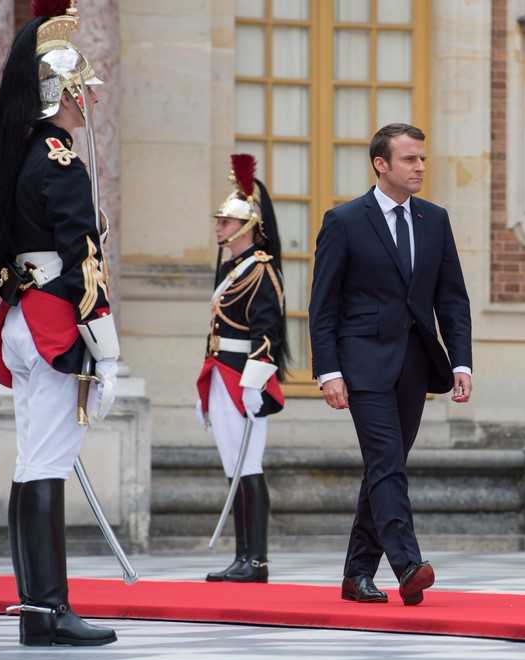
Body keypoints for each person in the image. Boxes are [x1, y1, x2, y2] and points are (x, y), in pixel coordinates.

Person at [0, 0, 118, 647]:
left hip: (22, 319)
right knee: (47, 462)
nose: (89, 105)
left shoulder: (19, 158)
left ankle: (36, 609)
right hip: (56, 326)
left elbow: (0, 259)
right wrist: (105, 349)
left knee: (32, 461)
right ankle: (50, 609)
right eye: (83, 93)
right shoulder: (60, 162)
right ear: (64, 93)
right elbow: (85, 260)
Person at [309, 123, 473, 605]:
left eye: (422, 159)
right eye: (409, 159)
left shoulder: (435, 220)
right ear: (381, 164)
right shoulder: (344, 221)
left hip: (417, 365)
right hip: (362, 365)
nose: (420, 166)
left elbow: (453, 298)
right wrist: (329, 371)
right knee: (385, 463)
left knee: (386, 467)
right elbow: (323, 305)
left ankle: (356, 574)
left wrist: (461, 361)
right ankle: (407, 564)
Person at [196, 154, 288, 584]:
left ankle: (256, 560)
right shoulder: (232, 270)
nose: (219, 227)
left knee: (248, 466)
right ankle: (243, 556)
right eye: (220, 220)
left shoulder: (262, 271)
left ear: (248, 226)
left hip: (244, 380)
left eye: (227, 222)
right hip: (220, 373)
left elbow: (267, 333)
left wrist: (255, 383)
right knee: (234, 467)